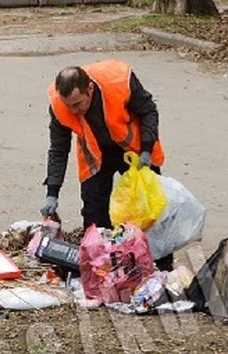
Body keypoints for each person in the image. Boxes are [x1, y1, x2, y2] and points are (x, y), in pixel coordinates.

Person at [40, 59, 173, 270]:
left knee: (150, 210)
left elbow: (149, 111)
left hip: (134, 151)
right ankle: (102, 271)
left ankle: (163, 269)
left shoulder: (119, 81)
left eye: (78, 104)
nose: (74, 111)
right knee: (94, 216)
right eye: (69, 105)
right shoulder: (59, 106)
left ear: (90, 89)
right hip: (96, 155)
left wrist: (146, 150)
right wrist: (52, 192)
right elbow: (58, 149)